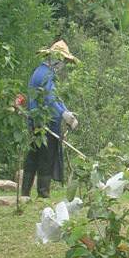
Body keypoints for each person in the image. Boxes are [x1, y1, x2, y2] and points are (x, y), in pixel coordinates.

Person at [21, 40, 79, 198]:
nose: (63, 65)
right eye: (63, 61)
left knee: (34, 155)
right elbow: (50, 100)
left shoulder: (42, 72)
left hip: (37, 121)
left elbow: (56, 97)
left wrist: (66, 111)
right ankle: (42, 194)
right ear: (56, 59)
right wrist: (64, 115)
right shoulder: (45, 74)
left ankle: (25, 194)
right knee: (45, 158)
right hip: (45, 122)